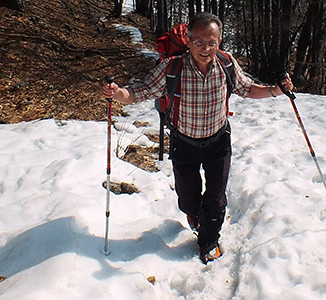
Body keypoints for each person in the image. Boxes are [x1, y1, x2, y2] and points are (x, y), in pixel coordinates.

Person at [99, 12, 294, 264]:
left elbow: (247, 88)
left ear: (219, 41)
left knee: (215, 199)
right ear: (189, 41)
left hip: (218, 142)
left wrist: (275, 90)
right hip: (184, 142)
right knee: (188, 199)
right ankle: (193, 214)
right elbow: (141, 90)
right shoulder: (173, 67)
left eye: (211, 42)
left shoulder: (226, 64)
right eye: (199, 42)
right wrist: (118, 93)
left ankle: (208, 241)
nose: (205, 48)